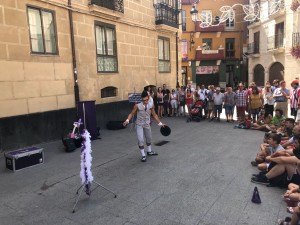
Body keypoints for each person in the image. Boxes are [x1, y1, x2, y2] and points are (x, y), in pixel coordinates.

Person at [123, 91, 165, 162]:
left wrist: (160, 124)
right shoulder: (137, 105)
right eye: (144, 100)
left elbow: (154, 115)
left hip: (147, 123)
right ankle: (143, 155)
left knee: (149, 138)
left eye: (146, 100)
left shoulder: (151, 105)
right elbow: (131, 113)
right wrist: (127, 120)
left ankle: (149, 151)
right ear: (142, 99)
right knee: (141, 140)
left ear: (148, 98)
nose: (145, 101)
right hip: (139, 124)